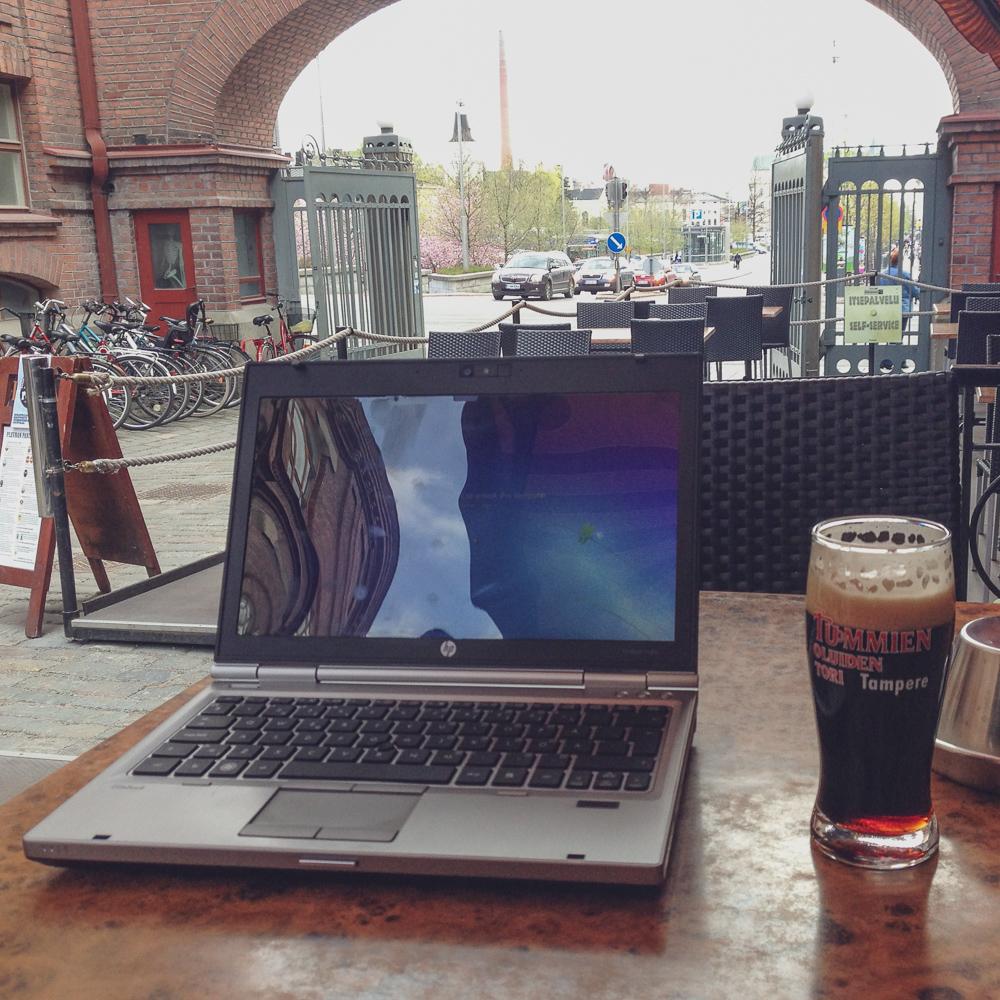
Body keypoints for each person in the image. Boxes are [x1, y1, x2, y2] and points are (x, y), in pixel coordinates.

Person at [879, 248, 918, 331]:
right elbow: (914, 291)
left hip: (886, 308)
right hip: (902, 309)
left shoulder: (882, 274)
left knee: (889, 333)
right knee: (899, 334)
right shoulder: (904, 274)